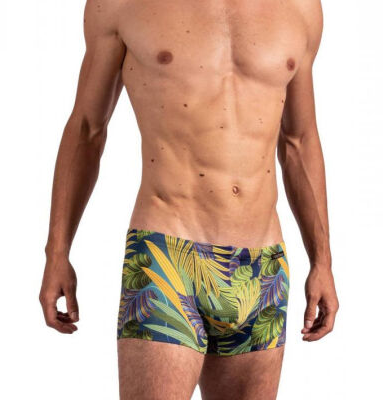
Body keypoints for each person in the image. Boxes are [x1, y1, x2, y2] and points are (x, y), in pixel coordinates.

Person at [39, 0, 339, 398]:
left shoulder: (300, 8)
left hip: (261, 265)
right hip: (167, 254)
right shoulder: (120, 4)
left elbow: (300, 141)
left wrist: (322, 261)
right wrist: (57, 252)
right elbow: (87, 129)